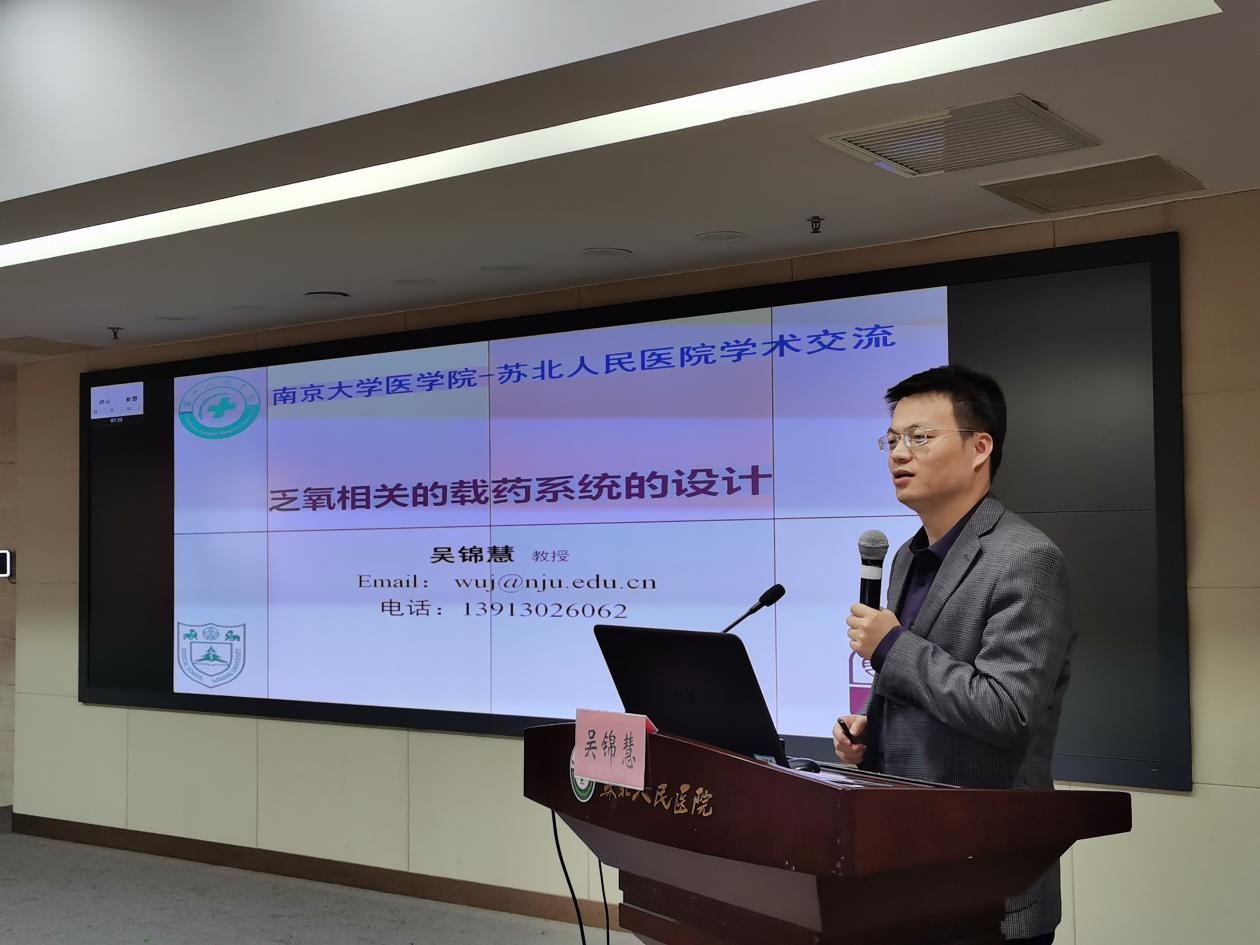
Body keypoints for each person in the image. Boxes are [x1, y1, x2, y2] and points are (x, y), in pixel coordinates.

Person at [833, 365, 1073, 945]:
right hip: (905, 869)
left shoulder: (1025, 559)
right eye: (892, 439)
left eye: (920, 437)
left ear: (979, 448)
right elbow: (921, 691)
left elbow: (1007, 710)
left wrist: (892, 645)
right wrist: (872, 732)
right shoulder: (905, 558)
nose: (899, 453)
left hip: (987, 884)